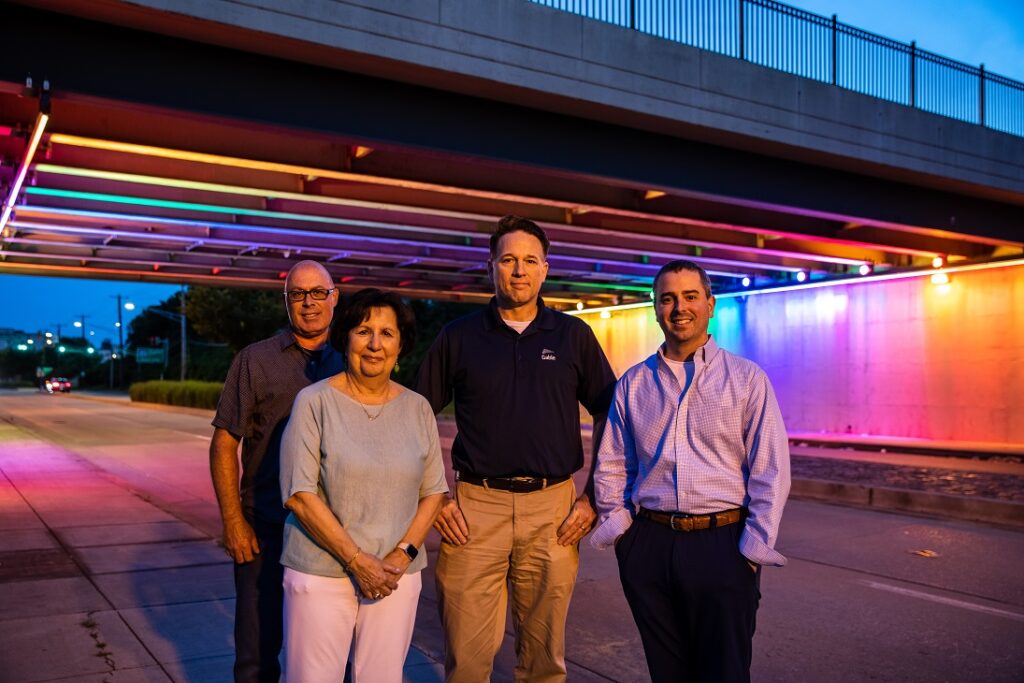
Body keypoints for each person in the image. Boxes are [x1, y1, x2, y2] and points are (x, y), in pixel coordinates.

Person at [415, 214, 616, 682]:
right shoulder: (459, 337)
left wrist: (593, 497)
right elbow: (414, 417)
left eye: (529, 261)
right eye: (508, 260)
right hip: (473, 511)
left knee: (545, 663)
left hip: (553, 512)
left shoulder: (573, 337)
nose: (519, 270)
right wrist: (435, 495)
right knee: (465, 661)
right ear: (492, 267)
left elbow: (614, 414)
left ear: (545, 269)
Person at [590, 259, 791, 683]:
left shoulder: (747, 379)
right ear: (655, 308)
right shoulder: (633, 383)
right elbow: (611, 462)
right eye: (667, 298)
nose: (679, 307)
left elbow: (770, 469)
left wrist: (752, 549)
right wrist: (623, 530)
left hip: (723, 546)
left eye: (689, 296)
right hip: (650, 545)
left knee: (725, 673)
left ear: (710, 305)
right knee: (668, 673)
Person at [279, 288, 448, 682]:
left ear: (400, 345)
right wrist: (357, 561)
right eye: (363, 331)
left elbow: (434, 492)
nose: (374, 344)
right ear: (345, 339)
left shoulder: (417, 407)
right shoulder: (314, 401)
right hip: (322, 572)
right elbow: (300, 495)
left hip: (395, 575)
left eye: (387, 334)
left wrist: (402, 556)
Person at [210, 260, 344, 683]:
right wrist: (233, 521)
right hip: (265, 529)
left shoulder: (354, 358)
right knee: (256, 656)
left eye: (318, 293)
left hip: (331, 534)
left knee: (330, 657)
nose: (309, 303)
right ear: (286, 301)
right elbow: (224, 443)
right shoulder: (255, 361)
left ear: (334, 297)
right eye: (298, 294)